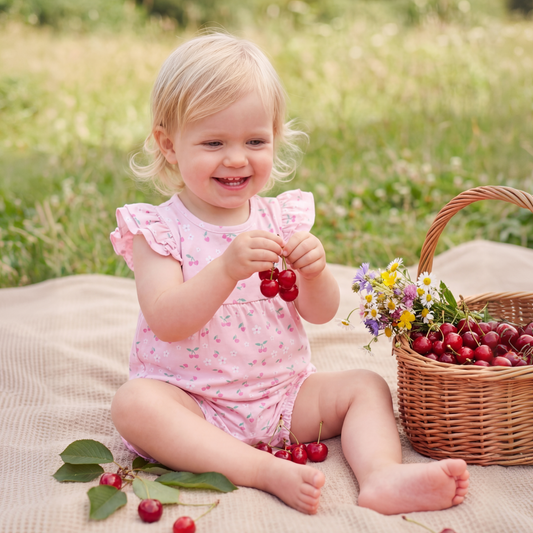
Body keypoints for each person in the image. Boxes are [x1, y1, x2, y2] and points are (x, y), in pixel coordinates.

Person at [110, 31, 469, 515]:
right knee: (134, 405)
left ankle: (382, 475)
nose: (237, 158)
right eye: (214, 141)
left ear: (276, 139)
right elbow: (168, 320)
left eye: (255, 140)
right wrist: (225, 269)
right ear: (169, 146)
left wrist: (316, 272)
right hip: (193, 403)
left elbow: (320, 314)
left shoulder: (282, 219)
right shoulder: (158, 229)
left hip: (284, 397)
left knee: (367, 385)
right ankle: (260, 469)